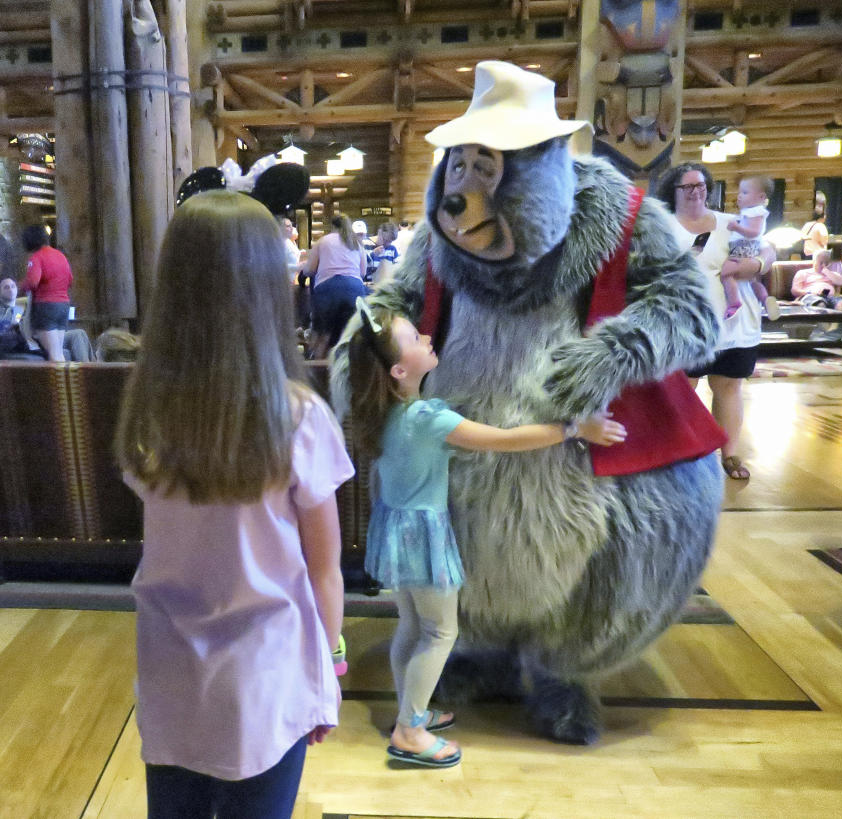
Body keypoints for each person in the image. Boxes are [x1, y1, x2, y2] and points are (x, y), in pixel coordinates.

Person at [116, 190, 352, 819]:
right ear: (265, 289)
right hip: (267, 673)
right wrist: (329, 663)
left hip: (169, 663)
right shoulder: (298, 417)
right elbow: (324, 567)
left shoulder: (148, 410)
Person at [345, 300, 626, 768]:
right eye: (416, 340)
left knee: (413, 627)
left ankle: (409, 712)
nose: (428, 338)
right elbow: (504, 440)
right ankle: (410, 731)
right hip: (424, 536)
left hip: (397, 530)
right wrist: (575, 428)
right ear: (398, 369)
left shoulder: (389, 414)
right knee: (439, 631)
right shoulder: (429, 419)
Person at [660, 161, 776, 481]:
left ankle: (730, 453)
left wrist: (756, 263)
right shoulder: (662, 226)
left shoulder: (732, 223)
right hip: (686, 327)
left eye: (701, 186)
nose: (695, 192)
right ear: (674, 191)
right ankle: (682, 451)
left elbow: (769, 250)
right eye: (687, 187)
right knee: (684, 387)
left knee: (728, 386)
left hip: (735, 326)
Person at [301, 214, 368, 359]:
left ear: (332, 227)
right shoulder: (356, 243)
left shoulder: (323, 241)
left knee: (323, 336)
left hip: (328, 289)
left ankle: (318, 375)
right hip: (354, 290)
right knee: (348, 336)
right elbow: (362, 272)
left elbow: (309, 270)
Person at [723, 176, 779, 321]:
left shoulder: (755, 212)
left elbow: (754, 232)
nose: (740, 196)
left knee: (725, 273)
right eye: (740, 192)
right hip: (746, 248)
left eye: (745, 192)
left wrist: (736, 227)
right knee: (753, 282)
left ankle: (734, 301)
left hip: (744, 248)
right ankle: (765, 299)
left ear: (761, 197)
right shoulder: (749, 213)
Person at [18, 225, 73, 362]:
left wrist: (18, 286)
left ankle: (59, 383)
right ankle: (65, 380)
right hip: (63, 305)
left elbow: (33, 281)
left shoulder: (36, 257)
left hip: (46, 306)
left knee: (54, 356)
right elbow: (70, 280)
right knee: (59, 352)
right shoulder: (60, 255)